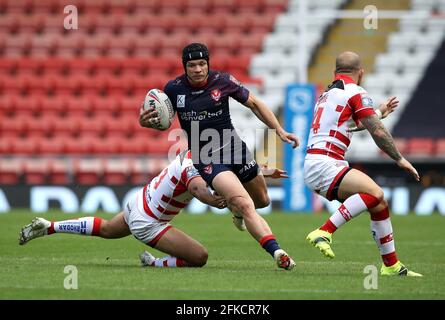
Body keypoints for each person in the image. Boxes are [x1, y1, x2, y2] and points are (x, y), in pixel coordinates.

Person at [139, 43, 299, 270]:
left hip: (234, 147)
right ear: (185, 67)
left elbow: (254, 103)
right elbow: (158, 120)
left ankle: (237, 214)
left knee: (262, 201)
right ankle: (277, 252)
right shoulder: (173, 89)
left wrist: (280, 131)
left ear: (208, 64)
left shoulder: (223, 81)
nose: (197, 69)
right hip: (206, 157)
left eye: (201, 64)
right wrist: (144, 122)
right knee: (243, 203)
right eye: (192, 65)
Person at [19, 150, 288, 268]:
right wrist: (217, 200)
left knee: (107, 230)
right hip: (149, 222)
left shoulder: (196, 153)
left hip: (139, 201)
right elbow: (196, 188)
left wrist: (263, 171)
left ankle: (50, 226)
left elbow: (225, 170)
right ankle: (156, 263)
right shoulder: (194, 166)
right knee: (200, 257)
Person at [304, 51, 422, 276]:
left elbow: (352, 124)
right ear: (361, 73)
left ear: (335, 72)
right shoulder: (356, 92)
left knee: (378, 203)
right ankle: (324, 231)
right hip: (326, 163)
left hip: (318, 162)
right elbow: (375, 130)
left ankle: (391, 265)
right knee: (375, 193)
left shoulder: (326, 95)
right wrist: (399, 159)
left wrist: (378, 112)